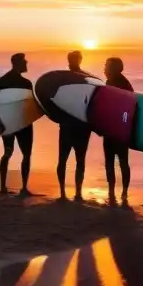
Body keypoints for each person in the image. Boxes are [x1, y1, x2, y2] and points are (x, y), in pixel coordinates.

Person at [0, 53, 34, 197]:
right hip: (21, 124)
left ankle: (3, 188)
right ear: (17, 63)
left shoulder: (1, 81)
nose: (27, 63)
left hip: (9, 123)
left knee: (9, 153)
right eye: (24, 61)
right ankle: (23, 189)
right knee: (25, 155)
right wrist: (0, 124)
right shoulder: (25, 83)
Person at [58, 50, 93, 201]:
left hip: (70, 125)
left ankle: (64, 192)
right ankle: (76, 192)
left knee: (65, 159)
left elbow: (55, 100)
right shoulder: (85, 78)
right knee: (78, 160)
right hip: (78, 125)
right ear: (79, 59)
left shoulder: (62, 79)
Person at [102, 57, 133, 206]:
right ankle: (122, 192)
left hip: (115, 131)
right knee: (122, 162)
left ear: (114, 69)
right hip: (120, 130)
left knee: (112, 162)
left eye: (107, 66)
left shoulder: (115, 84)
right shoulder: (125, 83)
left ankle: (114, 192)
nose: (104, 68)